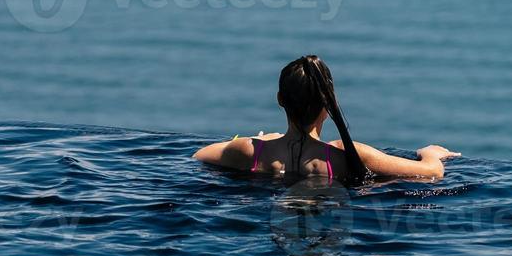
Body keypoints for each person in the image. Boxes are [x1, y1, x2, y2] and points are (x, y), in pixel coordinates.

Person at [193, 55, 459, 182]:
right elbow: (432, 173)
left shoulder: (250, 151)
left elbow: (199, 155)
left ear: (279, 99)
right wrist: (431, 153)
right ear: (328, 105)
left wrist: (259, 141)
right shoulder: (348, 155)